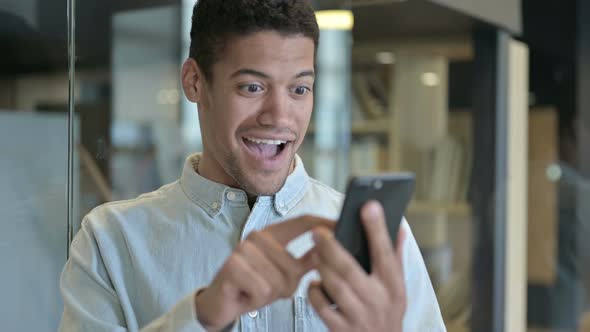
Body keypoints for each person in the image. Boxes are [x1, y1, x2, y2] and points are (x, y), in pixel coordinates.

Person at [59, 1, 445, 331]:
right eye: (252, 87)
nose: (280, 116)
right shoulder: (109, 242)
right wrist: (202, 318)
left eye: (299, 89)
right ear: (194, 82)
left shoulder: (378, 242)